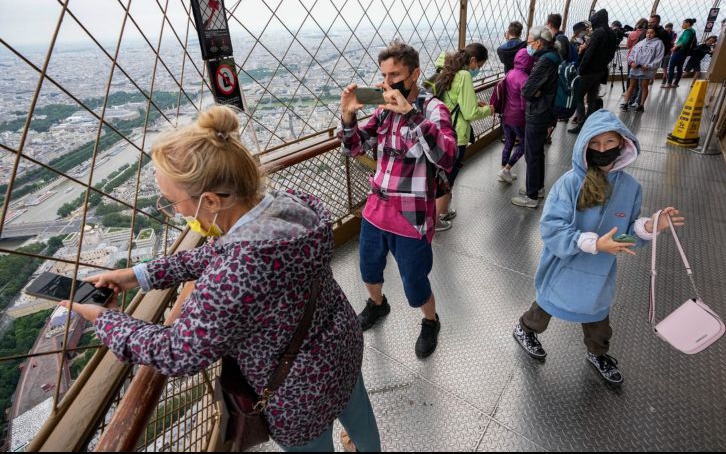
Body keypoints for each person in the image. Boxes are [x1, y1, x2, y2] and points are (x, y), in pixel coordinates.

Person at [61, 106, 381, 451]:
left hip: (298, 392)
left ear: (211, 201)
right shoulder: (293, 207)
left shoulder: (235, 273)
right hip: (340, 345)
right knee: (360, 416)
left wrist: (106, 320)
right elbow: (220, 253)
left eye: (171, 202)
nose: (176, 211)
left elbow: (177, 352)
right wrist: (139, 275)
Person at [512, 109, 685, 385]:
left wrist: (649, 227)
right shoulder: (569, 184)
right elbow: (552, 228)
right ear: (583, 146)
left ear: (622, 144)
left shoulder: (631, 188)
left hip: (599, 273)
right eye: (594, 143)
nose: (601, 149)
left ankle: (597, 353)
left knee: (598, 322)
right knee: (544, 308)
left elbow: (626, 236)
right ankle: (525, 330)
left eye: (609, 143)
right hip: (564, 266)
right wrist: (592, 243)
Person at [337, 41, 457, 359]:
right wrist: (348, 117)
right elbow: (355, 147)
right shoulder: (384, 110)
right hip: (377, 207)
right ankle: (377, 303)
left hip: (411, 214)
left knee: (415, 280)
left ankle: (430, 320)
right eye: (384, 76)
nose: (389, 83)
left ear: (415, 73)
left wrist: (412, 115)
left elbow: (447, 156)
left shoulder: (432, 110)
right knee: (369, 268)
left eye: (396, 75)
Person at [431, 43, 493, 227]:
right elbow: (469, 113)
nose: (477, 70)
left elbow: (452, 100)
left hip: (437, 131)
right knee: (447, 178)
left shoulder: (445, 66)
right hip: (455, 134)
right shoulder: (464, 75)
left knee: (438, 175)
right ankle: (437, 220)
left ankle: (440, 212)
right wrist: (489, 110)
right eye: (479, 66)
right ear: (473, 60)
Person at [511, 26, 559, 209]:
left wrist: (535, 92)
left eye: (529, 42)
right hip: (546, 111)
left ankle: (531, 197)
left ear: (538, 43)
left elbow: (526, 90)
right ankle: (537, 187)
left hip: (538, 113)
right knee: (538, 152)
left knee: (532, 153)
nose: (528, 45)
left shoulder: (544, 61)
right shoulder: (554, 56)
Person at [490, 47, 535, 184]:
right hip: (518, 117)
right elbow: (524, 103)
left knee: (509, 142)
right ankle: (506, 169)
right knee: (525, 143)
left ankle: (504, 170)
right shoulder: (525, 78)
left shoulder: (510, 73)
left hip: (506, 115)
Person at [570, 9, 616, 134]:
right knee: (592, 97)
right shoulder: (612, 34)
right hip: (600, 71)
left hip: (589, 71)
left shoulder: (597, 33)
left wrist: (581, 69)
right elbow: (611, 54)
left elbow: (589, 53)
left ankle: (581, 123)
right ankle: (590, 122)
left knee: (578, 95)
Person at [619, 28, 664, 113]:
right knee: (631, 86)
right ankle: (625, 103)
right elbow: (632, 53)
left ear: (655, 34)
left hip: (647, 69)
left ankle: (641, 105)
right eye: (647, 32)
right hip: (636, 68)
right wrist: (631, 62)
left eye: (652, 33)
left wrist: (649, 66)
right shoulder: (641, 42)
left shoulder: (659, 43)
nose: (649, 34)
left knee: (644, 86)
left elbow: (658, 58)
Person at [662, 18, 697, 88]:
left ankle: (669, 83)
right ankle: (675, 83)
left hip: (679, 51)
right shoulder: (693, 31)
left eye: (684, 23)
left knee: (671, 67)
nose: (682, 25)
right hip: (685, 52)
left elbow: (685, 41)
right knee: (679, 67)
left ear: (688, 23)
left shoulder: (688, 31)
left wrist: (675, 47)